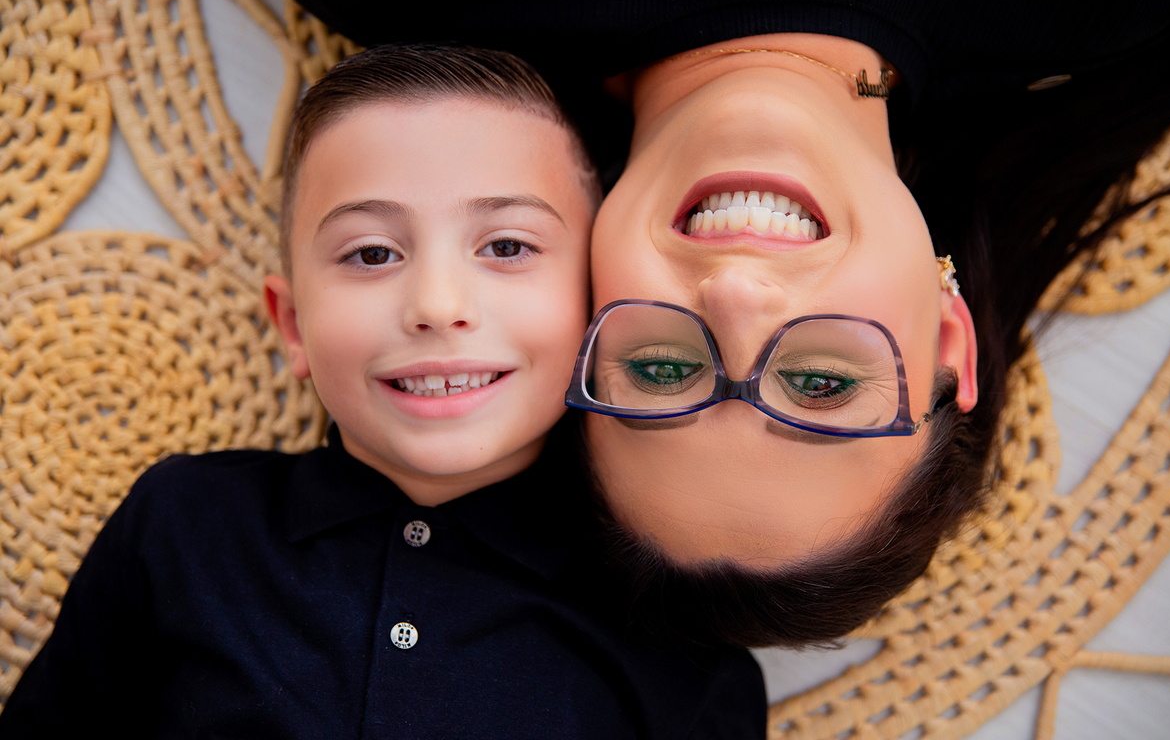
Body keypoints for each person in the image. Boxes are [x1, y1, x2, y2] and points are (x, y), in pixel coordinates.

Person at [243, 0, 1170, 646]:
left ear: (578, 317)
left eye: (660, 369)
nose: (737, 294)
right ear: (950, 338)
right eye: (823, 385)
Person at [0, 44, 766, 737]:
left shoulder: (675, 634)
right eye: (371, 253)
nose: (435, 305)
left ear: (596, 303)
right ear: (293, 324)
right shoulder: (184, 528)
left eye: (506, 246)